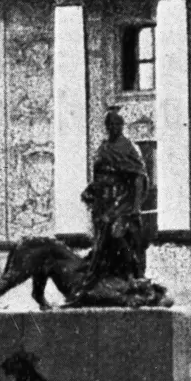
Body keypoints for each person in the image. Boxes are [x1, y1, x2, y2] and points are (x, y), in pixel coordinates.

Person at [82, 109, 150, 286]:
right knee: (100, 239)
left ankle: (131, 274)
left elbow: (138, 177)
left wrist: (135, 206)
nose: (112, 128)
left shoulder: (128, 147)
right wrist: (91, 190)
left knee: (116, 233)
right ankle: (101, 274)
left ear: (122, 126)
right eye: (109, 125)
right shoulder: (103, 148)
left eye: (116, 124)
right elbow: (99, 175)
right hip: (103, 201)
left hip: (123, 200)